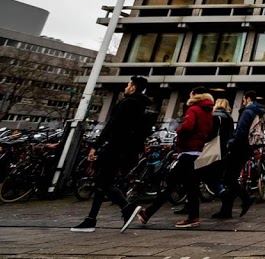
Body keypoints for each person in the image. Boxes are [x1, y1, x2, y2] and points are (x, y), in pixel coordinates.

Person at [71, 76, 152, 233]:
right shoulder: (142, 105)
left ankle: (126, 208)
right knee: (103, 181)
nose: (125, 88)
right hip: (127, 149)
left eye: (128, 85)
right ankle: (92, 218)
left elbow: (112, 126)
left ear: (133, 88)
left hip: (116, 147)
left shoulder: (128, 103)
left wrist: (96, 146)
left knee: (102, 180)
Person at [131, 87, 214, 229]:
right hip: (198, 152)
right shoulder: (208, 112)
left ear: (195, 95)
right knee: (191, 187)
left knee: (170, 184)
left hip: (187, 152)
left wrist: (178, 131)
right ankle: (192, 217)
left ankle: (148, 213)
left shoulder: (193, 109)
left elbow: (187, 127)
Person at [214, 90, 265, 219]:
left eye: (244, 99)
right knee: (231, 178)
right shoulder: (258, 112)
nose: (243, 101)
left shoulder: (248, 112)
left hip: (239, 148)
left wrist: (231, 145)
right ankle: (227, 210)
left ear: (247, 98)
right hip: (248, 148)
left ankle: (245, 197)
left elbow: (241, 131)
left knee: (228, 178)